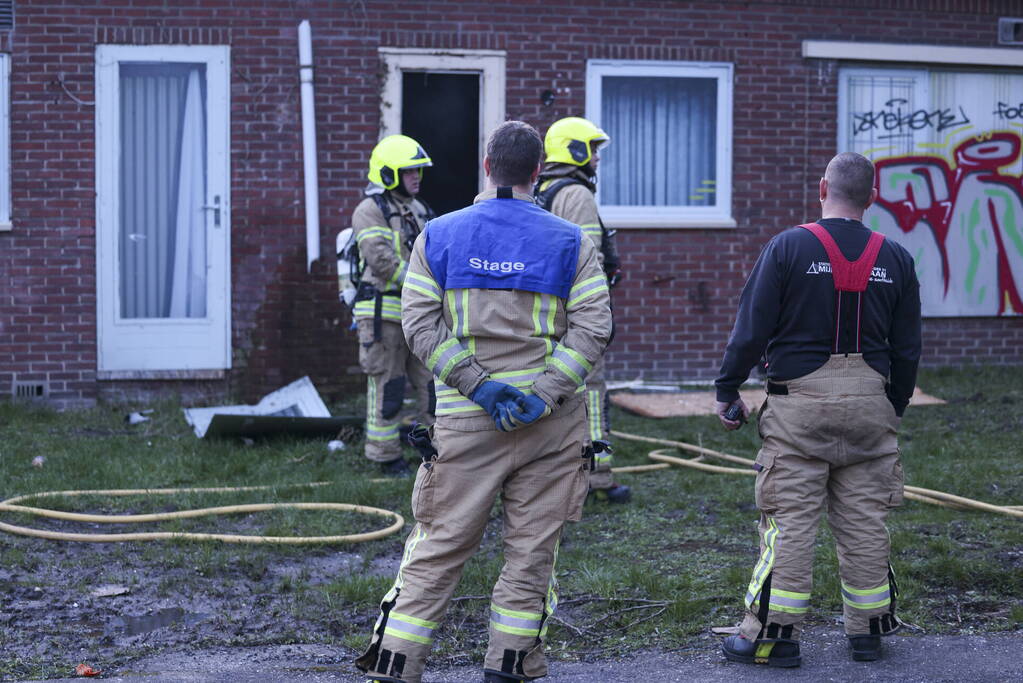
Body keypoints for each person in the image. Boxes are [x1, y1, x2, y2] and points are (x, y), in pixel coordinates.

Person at [355, 121, 612, 683]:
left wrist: (478, 385)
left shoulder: (439, 235)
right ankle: (510, 665)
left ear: (486, 167)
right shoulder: (572, 241)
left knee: (439, 545)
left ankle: (398, 664)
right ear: (537, 172)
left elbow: (420, 327)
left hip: (467, 422)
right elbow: (594, 330)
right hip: (550, 427)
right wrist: (544, 395)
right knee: (531, 553)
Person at [714, 152, 921, 667]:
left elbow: (752, 327)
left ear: (822, 186)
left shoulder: (787, 247)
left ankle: (772, 639)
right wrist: (892, 403)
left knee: (789, 522)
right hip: (873, 408)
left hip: (798, 413)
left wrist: (727, 388)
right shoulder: (896, 257)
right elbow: (908, 348)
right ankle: (869, 633)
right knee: (865, 523)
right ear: (871, 197)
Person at [534, 116, 629, 504]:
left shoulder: (542, 190)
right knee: (590, 390)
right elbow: (586, 261)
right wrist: (597, 317)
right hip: (577, 313)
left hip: (546, 310)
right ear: (574, 150)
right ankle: (596, 477)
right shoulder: (577, 195)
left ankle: (552, 472)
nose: (596, 159)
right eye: (591, 149)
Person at [351, 134, 437, 475]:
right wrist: (427, 285)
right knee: (389, 384)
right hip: (382, 315)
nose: (416, 176)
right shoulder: (369, 210)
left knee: (431, 382)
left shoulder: (420, 210)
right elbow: (382, 261)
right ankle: (384, 455)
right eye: (409, 170)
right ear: (388, 174)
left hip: (418, 315)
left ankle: (435, 451)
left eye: (418, 170)